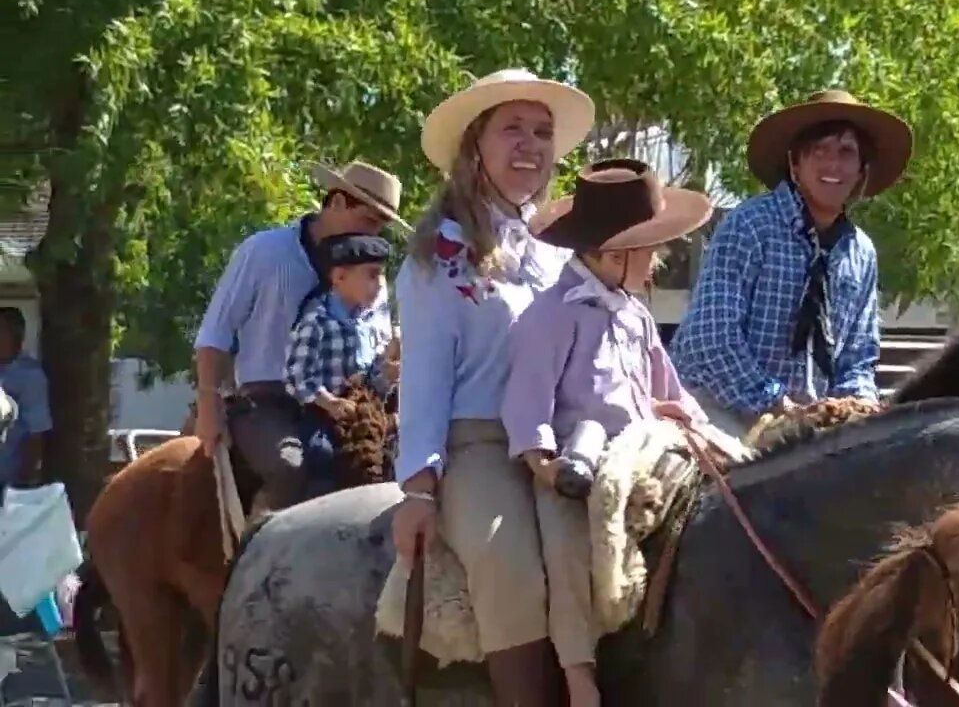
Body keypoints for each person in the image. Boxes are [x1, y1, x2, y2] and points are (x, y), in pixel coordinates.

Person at [389, 68, 595, 705]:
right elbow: (423, 375)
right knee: (510, 568)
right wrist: (419, 489)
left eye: (541, 132)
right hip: (477, 443)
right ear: (474, 146)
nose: (530, 144)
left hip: (562, 438)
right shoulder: (439, 258)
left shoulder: (562, 252)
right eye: (512, 130)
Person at [500, 159, 711, 705]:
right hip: (582, 460)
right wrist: (542, 463)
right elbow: (528, 399)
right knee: (567, 543)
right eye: (650, 250)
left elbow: (669, 386)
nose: (658, 261)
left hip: (646, 449)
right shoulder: (550, 316)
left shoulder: (635, 315)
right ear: (614, 254)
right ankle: (578, 673)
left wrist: (688, 417)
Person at [670, 90, 913, 438]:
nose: (833, 165)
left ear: (861, 171)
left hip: (809, 427)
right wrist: (780, 405)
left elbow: (857, 358)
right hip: (722, 408)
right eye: (820, 150)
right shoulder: (750, 225)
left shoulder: (861, 253)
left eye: (846, 153)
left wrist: (856, 407)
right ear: (795, 163)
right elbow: (711, 341)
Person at [193, 160, 406, 510]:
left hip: (347, 403)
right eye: (368, 220)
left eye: (381, 227)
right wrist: (208, 401)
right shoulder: (264, 252)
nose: (373, 235)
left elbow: (376, 349)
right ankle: (258, 554)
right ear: (337, 203)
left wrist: (389, 370)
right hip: (268, 400)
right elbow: (216, 330)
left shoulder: (373, 279)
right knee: (290, 469)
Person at [283, 233, 397, 499]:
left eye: (382, 276)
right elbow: (297, 375)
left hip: (365, 415)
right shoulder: (317, 321)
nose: (379, 285)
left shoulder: (371, 324)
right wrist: (331, 403)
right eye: (371, 275)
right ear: (339, 277)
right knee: (321, 456)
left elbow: (370, 380)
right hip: (325, 415)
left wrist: (387, 376)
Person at [0, 307, 50, 489]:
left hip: (8, 481)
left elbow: (36, 433)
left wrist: (26, 479)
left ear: (15, 335)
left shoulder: (29, 376)